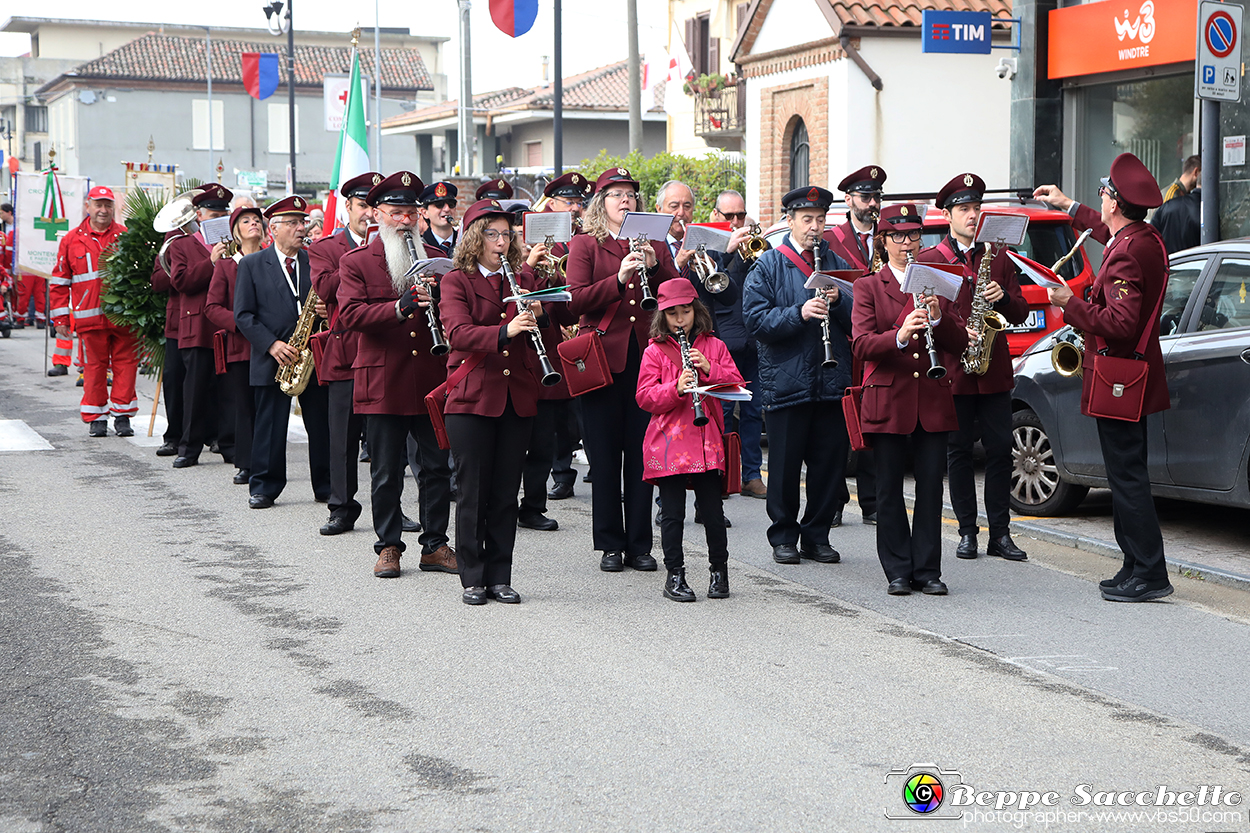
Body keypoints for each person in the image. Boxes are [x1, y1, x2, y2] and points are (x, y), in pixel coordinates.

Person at [1034, 153, 1174, 602]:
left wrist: (1066, 303)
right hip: (1133, 376)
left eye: (1104, 192)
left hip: (1120, 378)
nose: (1101, 198)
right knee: (1125, 474)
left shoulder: (1128, 254)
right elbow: (1106, 230)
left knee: (1126, 477)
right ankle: (1134, 563)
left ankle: (1150, 572)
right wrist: (1068, 206)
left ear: (1115, 201)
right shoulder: (1142, 236)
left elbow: (1118, 324)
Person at [337, 171, 458, 579]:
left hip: (428, 374)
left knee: (436, 467)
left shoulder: (436, 262)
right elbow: (351, 316)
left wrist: (442, 297)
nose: (405, 221)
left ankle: (435, 544)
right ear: (376, 214)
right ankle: (389, 545)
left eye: (411, 213)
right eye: (396, 212)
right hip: (382, 377)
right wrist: (398, 307)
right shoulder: (355, 261)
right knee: (386, 469)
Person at [851, 203, 969, 596]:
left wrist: (937, 317)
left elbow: (958, 342)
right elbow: (861, 344)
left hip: (931, 398)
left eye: (914, 236)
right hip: (889, 397)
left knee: (931, 487)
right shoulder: (869, 286)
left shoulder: (936, 281)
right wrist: (900, 334)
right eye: (898, 237)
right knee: (888, 488)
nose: (908, 244)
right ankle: (898, 569)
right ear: (883, 242)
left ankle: (928, 569)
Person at [566, 167, 680, 572]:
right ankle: (610, 544)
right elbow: (575, 302)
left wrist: (655, 267)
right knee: (604, 454)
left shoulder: (656, 245)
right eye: (615, 194)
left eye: (630, 194)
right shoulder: (585, 245)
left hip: (647, 362)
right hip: (600, 361)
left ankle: (640, 545)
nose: (625, 200)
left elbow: (678, 297)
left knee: (641, 455)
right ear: (601, 204)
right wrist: (618, 278)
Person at [440, 199, 549, 604]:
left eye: (507, 234)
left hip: (516, 396)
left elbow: (544, 329)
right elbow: (458, 333)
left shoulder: (520, 280)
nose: (501, 242)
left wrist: (541, 313)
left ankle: (500, 574)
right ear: (474, 238)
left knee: (506, 492)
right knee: (473, 491)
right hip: (471, 399)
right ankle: (472, 576)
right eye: (492, 234)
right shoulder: (456, 281)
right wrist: (506, 330)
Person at [917, 172, 1030, 562]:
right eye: (964, 209)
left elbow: (1020, 310)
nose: (972, 215)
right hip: (955, 370)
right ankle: (967, 531)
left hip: (994, 370)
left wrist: (1003, 299)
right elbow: (930, 317)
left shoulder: (997, 257)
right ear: (947, 215)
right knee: (959, 452)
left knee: (1001, 450)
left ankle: (1001, 533)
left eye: (975, 208)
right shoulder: (932, 260)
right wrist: (961, 335)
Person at [742, 186, 853, 566]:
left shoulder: (836, 261)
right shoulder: (769, 265)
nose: (815, 227)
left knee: (827, 464)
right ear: (790, 220)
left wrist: (841, 302)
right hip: (787, 382)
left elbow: (860, 317)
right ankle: (784, 535)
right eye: (807, 219)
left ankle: (817, 535)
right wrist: (799, 314)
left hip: (831, 380)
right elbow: (754, 321)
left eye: (821, 219)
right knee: (786, 465)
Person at [636, 279, 744, 602]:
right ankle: (675, 575)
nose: (681, 320)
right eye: (673, 314)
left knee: (712, 510)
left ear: (696, 311)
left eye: (686, 312)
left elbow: (737, 385)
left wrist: (710, 369)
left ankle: (718, 572)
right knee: (672, 513)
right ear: (663, 318)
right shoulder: (655, 351)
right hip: (667, 443)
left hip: (705, 441)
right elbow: (643, 396)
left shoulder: (714, 346)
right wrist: (675, 388)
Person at [233, 195, 331, 509]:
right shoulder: (251, 264)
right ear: (273, 229)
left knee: (322, 424)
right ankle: (264, 486)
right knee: (269, 425)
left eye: (302, 222)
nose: (301, 228)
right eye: (293, 223)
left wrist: (327, 310)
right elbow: (243, 315)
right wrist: (272, 345)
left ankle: (327, 486)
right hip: (273, 355)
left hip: (312, 354)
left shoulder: (314, 259)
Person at [307, 171, 379, 536]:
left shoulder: (393, 245)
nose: (369, 213)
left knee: (385, 440)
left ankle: (390, 507)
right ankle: (341, 506)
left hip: (384, 351)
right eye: (363, 206)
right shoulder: (324, 248)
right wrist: (363, 257)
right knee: (343, 438)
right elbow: (325, 287)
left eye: (375, 206)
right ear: (347, 208)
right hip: (345, 351)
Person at [49, 186, 137, 437]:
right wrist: (60, 319)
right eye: (98, 204)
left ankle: (122, 416)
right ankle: (96, 417)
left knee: (126, 366)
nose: (103, 210)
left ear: (113, 208)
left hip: (123, 317)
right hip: (89, 319)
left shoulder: (126, 236)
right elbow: (59, 283)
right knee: (94, 368)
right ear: (88, 206)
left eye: (108, 205)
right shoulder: (71, 239)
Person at [529, 172, 595, 504]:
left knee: (582, 410)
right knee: (554, 413)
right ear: (551, 203)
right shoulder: (536, 238)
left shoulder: (585, 237)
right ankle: (560, 475)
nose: (574, 208)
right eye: (568, 202)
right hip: (552, 331)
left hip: (580, 328)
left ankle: (589, 467)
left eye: (578, 203)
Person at [167, 183, 233, 468]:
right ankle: (189, 447)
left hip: (228, 324)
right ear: (198, 215)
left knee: (228, 389)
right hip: (198, 326)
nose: (217, 218)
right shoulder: (181, 245)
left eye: (222, 214)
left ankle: (228, 443)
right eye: (211, 213)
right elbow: (181, 281)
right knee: (195, 389)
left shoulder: (236, 243)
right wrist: (211, 260)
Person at [709, 189, 767, 500]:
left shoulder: (754, 247)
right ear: (716, 216)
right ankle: (720, 474)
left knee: (754, 411)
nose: (735, 221)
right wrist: (730, 251)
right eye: (729, 215)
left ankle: (751, 475)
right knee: (723, 412)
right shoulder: (710, 247)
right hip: (725, 343)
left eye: (740, 215)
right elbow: (715, 285)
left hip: (753, 341)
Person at [205, 204, 264, 486]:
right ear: (235, 233)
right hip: (241, 347)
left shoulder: (271, 262)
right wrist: (241, 324)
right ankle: (245, 462)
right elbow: (212, 307)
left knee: (269, 407)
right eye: (245, 221)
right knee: (244, 406)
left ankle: (268, 461)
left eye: (257, 220)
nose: (253, 224)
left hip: (271, 345)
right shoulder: (227, 266)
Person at [150, 230, 185, 455]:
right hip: (179, 321)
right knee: (174, 379)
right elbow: (156, 282)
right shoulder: (175, 237)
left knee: (214, 381)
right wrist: (177, 267)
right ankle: (174, 435)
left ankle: (215, 434)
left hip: (213, 319)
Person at [823, 165, 886, 272]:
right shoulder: (829, 240)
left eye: (877, 197)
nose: (873, 203)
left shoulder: (889, 237)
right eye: (865, 197)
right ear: (848, 200)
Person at [3, 202, 45, 330]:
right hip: (32, 267)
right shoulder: (37, 230)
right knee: (31, 293)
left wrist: (9, 267)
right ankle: (32, 318)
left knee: (29, 293)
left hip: (30, 267)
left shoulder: (17, 231)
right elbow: (9, 251)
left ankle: (24, 318)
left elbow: (9, 252)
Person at [1150, 185, 1201, 254]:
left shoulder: (1168, 205)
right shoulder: (1208, 211)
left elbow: (1152, 235)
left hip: (1167, 261)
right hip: (1196, 262)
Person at [420, 181, 459, 256]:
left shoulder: (466, 243)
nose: (447, 209)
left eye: (451, 204)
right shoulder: (420, 246)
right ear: (425, 213)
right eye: (439, 205)